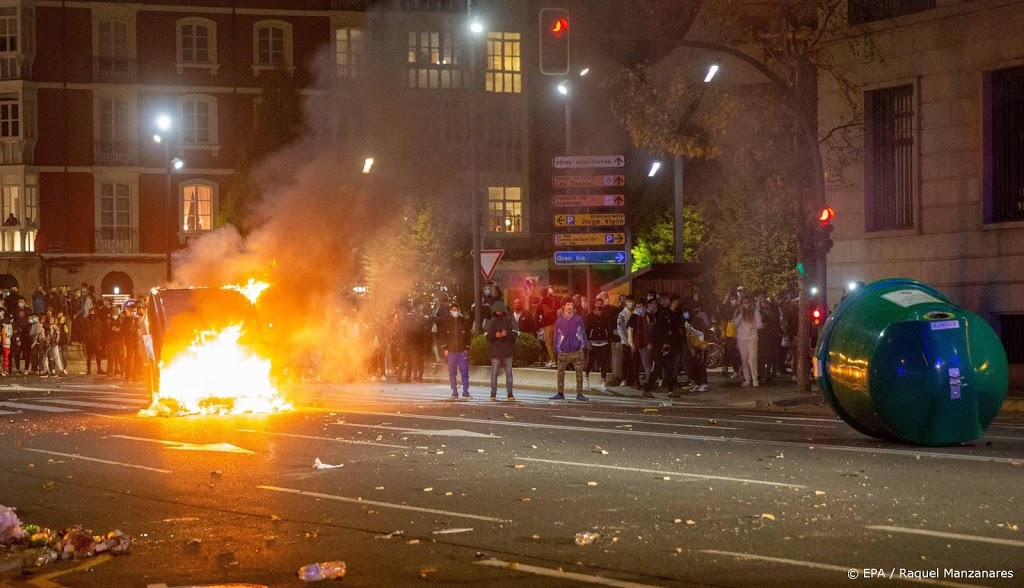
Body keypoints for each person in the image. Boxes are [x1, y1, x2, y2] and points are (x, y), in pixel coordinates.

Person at [550, 298, 588, 401]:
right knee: (560, 372)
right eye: (568, 305)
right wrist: (557, 349)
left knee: (579, 372)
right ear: (564, 306)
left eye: (571, 305)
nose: (570, 307)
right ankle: (560, 393)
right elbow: (556, 336)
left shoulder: (578, 319)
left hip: (576, 350)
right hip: (564, 350)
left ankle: (579, 393)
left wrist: (583, 346)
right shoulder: (559, 321)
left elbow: (582, 332)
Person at [439, 301, 472, 399]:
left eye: (457, 310)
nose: (456, 312)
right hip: (451, 351)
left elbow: (468, 336)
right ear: (450, 311)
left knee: (464, 372)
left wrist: (466, 348)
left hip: (461, 351)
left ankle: (465, 391)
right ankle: (454, 392)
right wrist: (445, 349)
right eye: (454, 310)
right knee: (452, 372)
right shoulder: (446, 322)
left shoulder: (464, 321)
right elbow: (443, 336)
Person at [486, 300, 517, 401]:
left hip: (507, 351)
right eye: (497, 311)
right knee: (495, 373)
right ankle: (493, 393)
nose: (499, 313)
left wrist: (506, 334)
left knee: (508, 373)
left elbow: (516, 333)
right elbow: (487, 336)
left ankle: (510, 394)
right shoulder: (491, 322)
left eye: (500, 311)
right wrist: (495, 335)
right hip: (496, 351)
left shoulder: (509, 320)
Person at [733, 294, 764, 387]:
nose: (746, 304)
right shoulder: (739, 312)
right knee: (744, 360)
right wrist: (741, 314)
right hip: (741, 339)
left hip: (752, 338)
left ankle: (755, 379)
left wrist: (755, 323)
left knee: (752, 358)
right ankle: (747, 379)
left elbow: (759, 325)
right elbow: (735, 324)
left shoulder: (755, 312)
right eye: (744, 303)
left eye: (747, 302)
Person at [585, 297, 612, 391]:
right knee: (590, 362)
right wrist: (587, 342)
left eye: (601, 304)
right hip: (593, 342)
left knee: (604, 363)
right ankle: (586, 378)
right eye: (598, 303)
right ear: (595, 304)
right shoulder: (589, 316)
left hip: (604, 343)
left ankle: (603, 382)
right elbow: (586, 330)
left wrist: (609, 340)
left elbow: (609, 329)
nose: (599, 305)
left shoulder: (606, 316)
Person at [616, 296, 636, 387]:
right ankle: (624, 379)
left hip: (634, 341)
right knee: (625, 360)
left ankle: (632, 379)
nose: (631, 303)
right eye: (629, 301)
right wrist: (626, 340)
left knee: (634, 361)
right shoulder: (622, 314)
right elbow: (620, 328)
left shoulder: (635, 312)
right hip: (625, 341)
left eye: (632, 301)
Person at [537, 288, 558, 367]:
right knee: (556, 342)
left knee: (549, 343)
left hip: (548, 325)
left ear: (541, 294)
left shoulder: (541, 303)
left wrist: (539, 324)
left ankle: (553, 360)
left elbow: (538, 314)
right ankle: (556, 360)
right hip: (556, 323)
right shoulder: (553, 301)